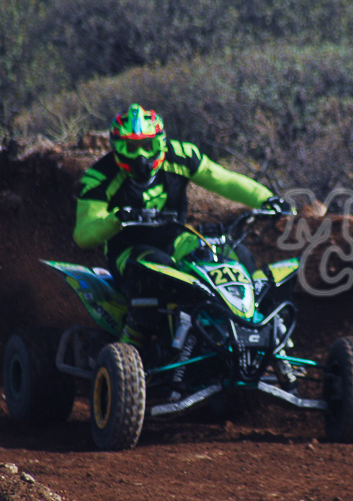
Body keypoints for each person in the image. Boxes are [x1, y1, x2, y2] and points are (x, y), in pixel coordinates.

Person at [73, 103, 290, 348]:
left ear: (160, 143)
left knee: (237, 254)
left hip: (177, 240)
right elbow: (83, 234)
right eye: (131, 148)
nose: (141, 156)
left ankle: (249, 327)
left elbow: (222, 179)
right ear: (117, 147)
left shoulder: (181, 155)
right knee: (158, 270)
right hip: (128, 250)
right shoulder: (100, 176)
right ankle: (133, 340)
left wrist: (265, 199)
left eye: (147, 145)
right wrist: (115, 218)